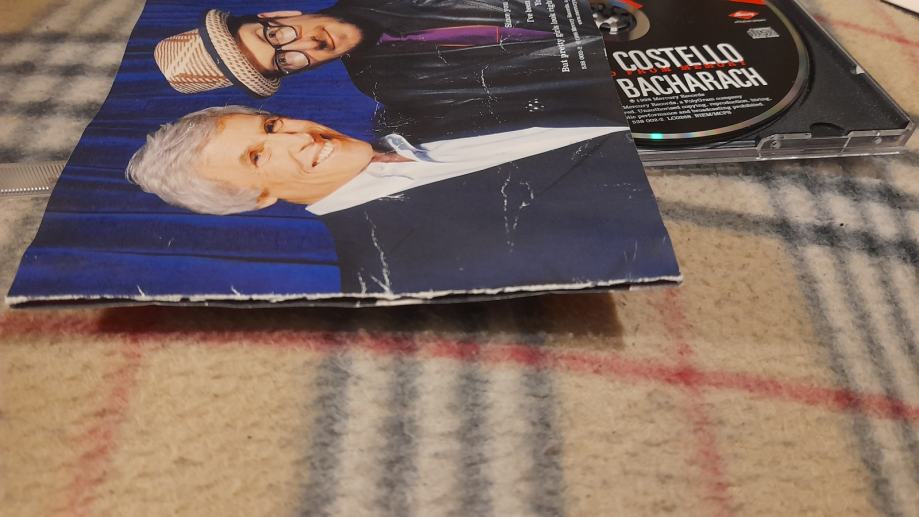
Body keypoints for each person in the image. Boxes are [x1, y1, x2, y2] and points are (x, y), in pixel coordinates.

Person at [125, 105, 658, 295]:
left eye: (271, 125)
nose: (298, 137)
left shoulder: (417, 113)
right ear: (260, 198)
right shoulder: (396, 262)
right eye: (259, 157)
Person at [154, 2, 619, 141]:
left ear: (279, 14)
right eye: (283, 62)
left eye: (276, 35)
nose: (307, 45)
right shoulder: (389, 89)